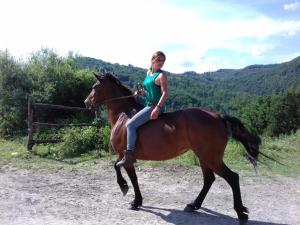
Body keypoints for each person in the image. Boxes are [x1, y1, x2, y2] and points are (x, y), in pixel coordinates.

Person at [116, 51, 168, 167]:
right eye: (159, 59)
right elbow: (147, 88)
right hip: (148, 104)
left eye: (163, 60)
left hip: (154, 106)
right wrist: (139, 92)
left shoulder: (161, 75)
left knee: (130, 125)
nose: (161, 62)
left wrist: (157, 109)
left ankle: (129, 155)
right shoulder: (149, 73)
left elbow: (165, 94)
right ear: (152, 60)